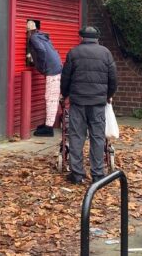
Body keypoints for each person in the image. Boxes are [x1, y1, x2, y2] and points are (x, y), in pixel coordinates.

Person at [60, 26, 117, 184]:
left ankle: (77, 175)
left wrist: (64, 94)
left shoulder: (73, 53)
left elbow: (66, 78)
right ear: (97, 38)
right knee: (97, 138)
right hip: (98, 103)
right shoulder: (106, 53)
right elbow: (113, 79)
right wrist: (108, 96)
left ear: (82, 37)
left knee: (77, 137)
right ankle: (98, 175)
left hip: (78, 103)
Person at [26, 20, 63, 137]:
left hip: (52, 70)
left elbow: (41, 51)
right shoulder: (43, 37)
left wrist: (41, 66)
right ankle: (48, 124)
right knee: (51, 96)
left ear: (29, 31)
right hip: (57, 67)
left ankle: (48, 129)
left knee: (51, 98)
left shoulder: (33, 38)